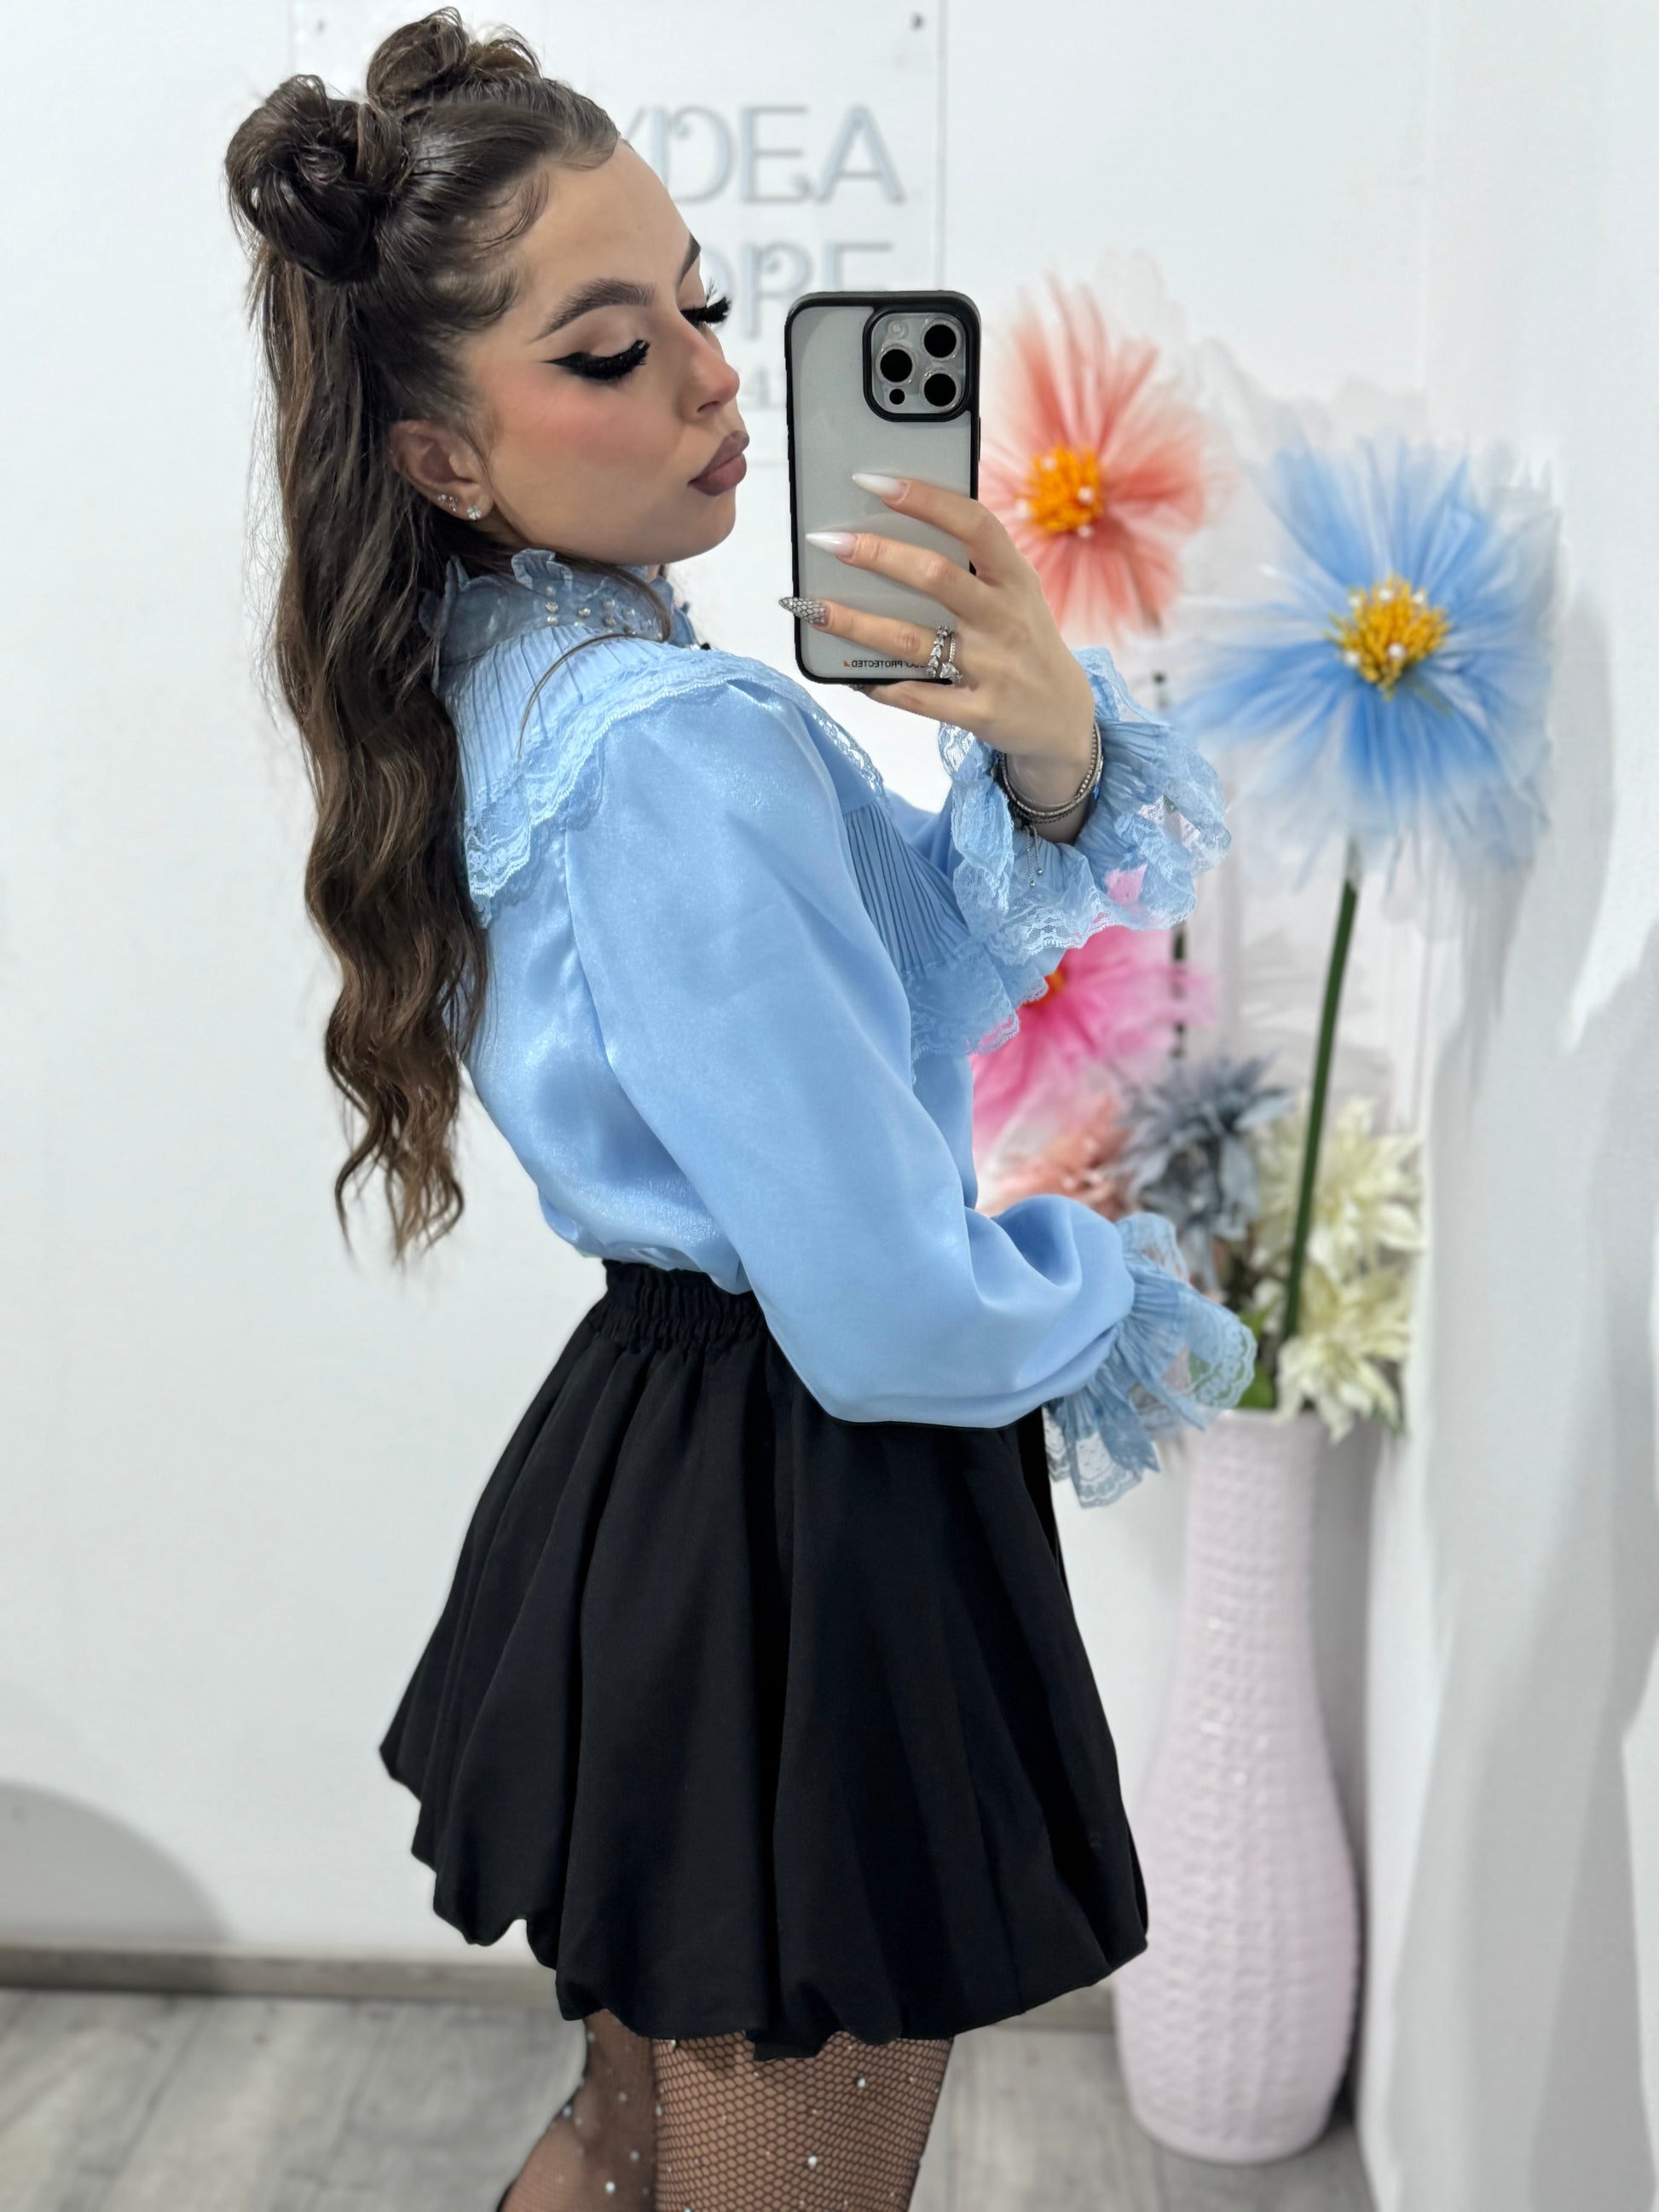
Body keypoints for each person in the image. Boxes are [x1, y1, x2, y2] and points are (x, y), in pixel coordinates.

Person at [224, 13, 1254, 2208]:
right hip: (809, 1506)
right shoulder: (676, 738)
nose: (711, 377)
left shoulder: (510, 684)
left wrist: (1042, 761)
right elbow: (885, 1302)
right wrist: (1099, 1291)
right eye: (612, 350)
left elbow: (863, 1017)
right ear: (441, 457)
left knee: (631, 2142)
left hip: (667, 1466)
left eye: (699, 304)